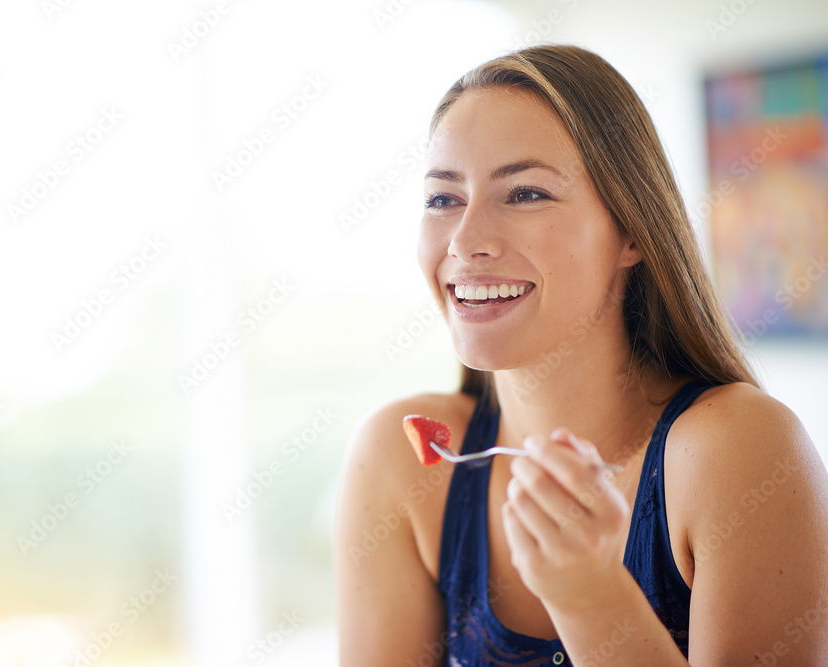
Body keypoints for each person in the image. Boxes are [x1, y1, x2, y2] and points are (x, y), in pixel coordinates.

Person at [335, 44, 828, 666]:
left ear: (631, 231)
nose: (466, 241)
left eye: (525, 194)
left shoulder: (742, 452)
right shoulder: (401, 459)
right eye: (443, 198)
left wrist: (591, 596)